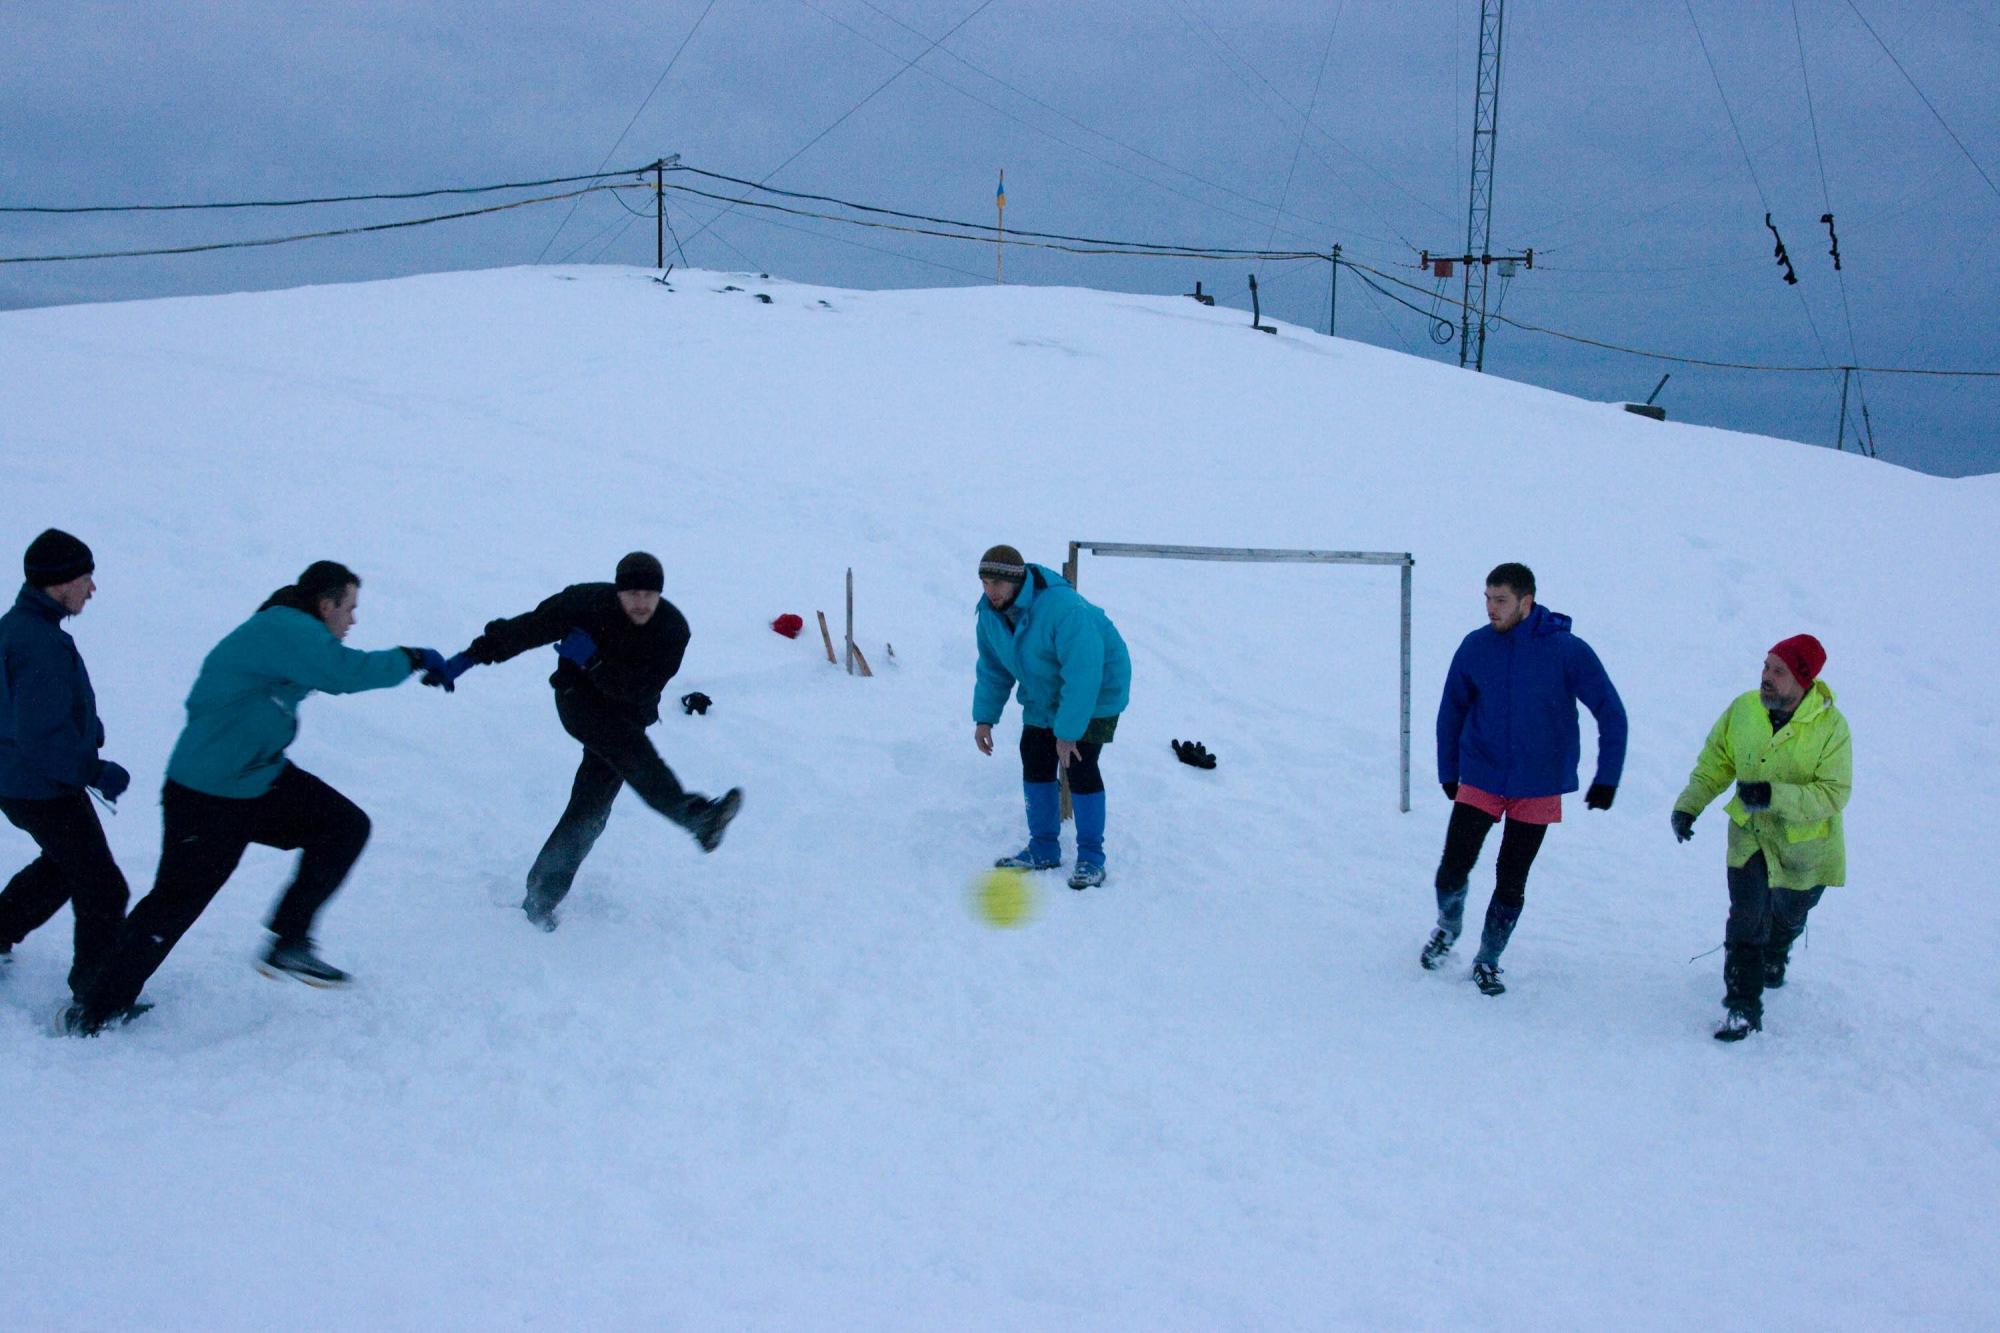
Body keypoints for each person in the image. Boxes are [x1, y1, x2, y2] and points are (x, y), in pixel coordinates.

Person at [53, 561, 446, 1035]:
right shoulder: (288, 627)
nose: (353, 620)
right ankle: (92, 1011)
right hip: (209, 794)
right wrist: (412, 657)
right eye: (350, 608)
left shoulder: (289, 628)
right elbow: (343, 673)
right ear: (325, 604)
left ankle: (290, 941)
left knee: (343, 826)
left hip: (254, 779)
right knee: (174, 903)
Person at [427, 551, 742, 931]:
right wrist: (464, 661)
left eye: (649, 594)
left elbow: (639, 689)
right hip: (579, 701)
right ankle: (697, 818)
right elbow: (527, 629)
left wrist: (593, 660)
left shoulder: (671, 629)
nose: (641, 603)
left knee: (591, 808)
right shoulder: (585, 604)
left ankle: (541, 897)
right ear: (617, 591)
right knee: (630, 755)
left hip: (629, 709)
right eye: (632, 594)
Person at [1425, 562, 1627, 994]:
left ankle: (1488, 959)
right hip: (1481, 772)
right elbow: (1451, 711)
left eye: (1500, 601)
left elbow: (1611, 711)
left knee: (1511, 877)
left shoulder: (1567, 650)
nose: (1491, 609)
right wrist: (1448, 770)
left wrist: (1607, 776)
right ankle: (1447, 927)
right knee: (1452, 867)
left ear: (1526, 602)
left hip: (1538, 783)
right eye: (1487, 599)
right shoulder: (1475, 647)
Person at [1672, 635, 1850, 1042]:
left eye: (1778, 671)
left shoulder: (1832, 728)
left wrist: (1773, 794)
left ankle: (1778, 949)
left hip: (1804, 849)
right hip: (1749, 837)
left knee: (1788, 914)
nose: (1766, 678)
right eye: (1766, 667)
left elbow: (1834, 793)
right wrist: (1689, 806)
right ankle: (1742, 1008)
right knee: (1746, 919)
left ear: (1803, 680)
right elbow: (1715, 763)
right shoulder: (1744, 709)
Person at [0, 529, 131, 1001]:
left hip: (23, 780)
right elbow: (40, 735)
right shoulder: (37, 643)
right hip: (42, 785)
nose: (92, 589)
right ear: (59, 583)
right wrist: (91, 770)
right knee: (103, 887)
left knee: (62, 867)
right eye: (85, 578)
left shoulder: (23, 629)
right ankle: (97, 997)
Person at [973, 544, 1131, 891]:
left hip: (1099, 687)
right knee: (1034, 751)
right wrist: (985, 718)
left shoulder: (1063, 609)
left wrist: (1069, 731)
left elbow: (1084, 673)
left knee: (1079, 762)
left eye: (997, 584)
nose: (990, 591)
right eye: (985, 582)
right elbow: (993, 669)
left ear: (1016, 581)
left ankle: (1091, 858)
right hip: (1046, 691)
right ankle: (1043, 846)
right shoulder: (989, 615)